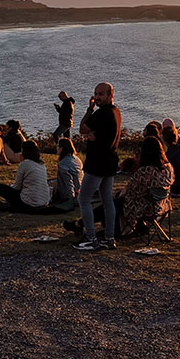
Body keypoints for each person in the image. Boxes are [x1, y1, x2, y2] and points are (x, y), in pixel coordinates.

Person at [65, 138, 175, 239]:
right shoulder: (168, 168)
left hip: (142, 208)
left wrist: (122, 194)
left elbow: (130, 189)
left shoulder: (145, 171)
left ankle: (79, 224)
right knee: (114, 203)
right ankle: (80, 224)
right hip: (161, 206)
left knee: (111, 204)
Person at [75, 82, 122, 251]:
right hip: (110, 161)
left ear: (111, 95)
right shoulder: (116, 112)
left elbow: (81, 128)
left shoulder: (101, 113)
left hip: (97, 162)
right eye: (96, 93)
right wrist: (91, 134)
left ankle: (91, 237)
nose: (97, 97)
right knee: (107, 199)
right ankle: (109, 237)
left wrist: (89, 110)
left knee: (84, 199)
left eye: (101, 94)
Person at [0, 140, 52, 211]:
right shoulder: (42, 164)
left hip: (29, 202)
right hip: (45, 200)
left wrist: (10, 186)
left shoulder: (25, 164)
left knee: (0, 187)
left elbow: (17, 187)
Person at [52, 137, 83, 210]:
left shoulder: (63, 164)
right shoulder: (77, 159)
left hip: (68, 195)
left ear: (62, 148)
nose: (56, 148)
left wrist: (70, 199)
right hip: (80, 191)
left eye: (58, 146)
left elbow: (68, 182)